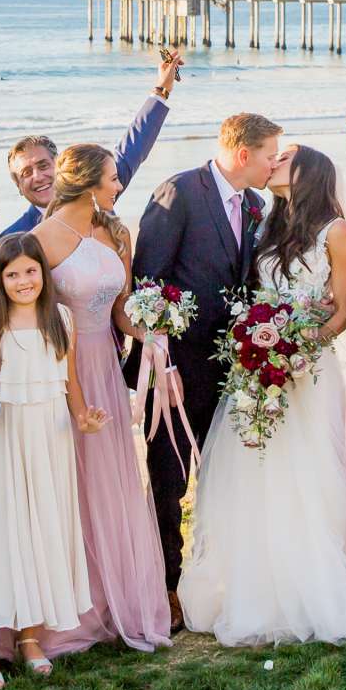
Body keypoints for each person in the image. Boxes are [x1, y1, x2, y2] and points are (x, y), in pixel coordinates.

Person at [176, 143, 346, 645]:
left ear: (308, 174)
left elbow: (342, 311)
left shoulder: (337, 232)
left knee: (305, 473)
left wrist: (296, 350)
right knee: (252, 471)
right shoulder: (266, 222)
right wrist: (262, 350)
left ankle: (308, 590)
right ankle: (252, 586)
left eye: (284, 159)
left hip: (306, 368)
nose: (273, 163)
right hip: (255, 365)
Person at [132, 112, 287, 623]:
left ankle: (217, 576)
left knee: (222, 478)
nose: (273, 164)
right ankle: (167, 586)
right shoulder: (179, 193)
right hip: (176, 369)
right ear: (244, 154)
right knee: (169, 479)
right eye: (269, 155)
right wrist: (163, 363)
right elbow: (147, 283)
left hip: (233, 366)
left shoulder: (257, 204)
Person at [19, 146, 171, 655]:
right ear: (86, 183)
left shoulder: (115, 232)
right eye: (111, 178)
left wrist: (152, 331)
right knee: (66, 483)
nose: (118, 186)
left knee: (107, 479)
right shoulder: (38, 241)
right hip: (61, 370)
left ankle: (109, 597)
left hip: (104, 365)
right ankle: (62, 608)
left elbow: (121, 313)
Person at [0, 235, 104, 690]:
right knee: (1, 535)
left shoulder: (61, 319)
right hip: (7, 438)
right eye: (12, 274)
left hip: (52, 438)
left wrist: (84, 418)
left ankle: (29, 638)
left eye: (30, 271)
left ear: (43, 273)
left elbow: (71, 382)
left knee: (43, 531)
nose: (23, 281)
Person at [0, 47, 184, 235]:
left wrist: (162, 89)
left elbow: (133, 149)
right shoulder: (15, 237)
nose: (38, 176)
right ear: (18, 186)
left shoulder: (95, 195)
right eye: (26, 173)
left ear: (59, 167)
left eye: (43, 165)